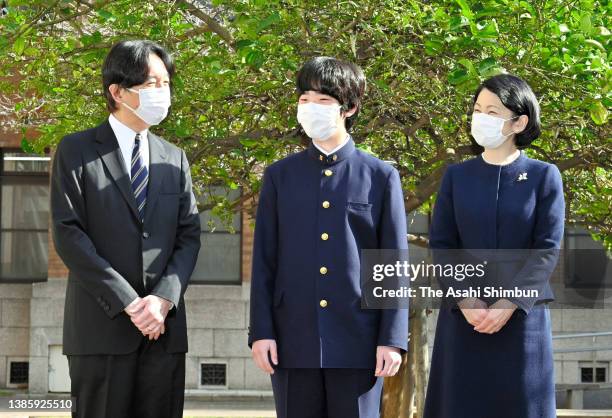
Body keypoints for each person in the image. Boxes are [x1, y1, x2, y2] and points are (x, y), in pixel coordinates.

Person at [248, 56, 409, 418]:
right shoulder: (279, 176)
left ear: (349, 107)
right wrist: (261, 331)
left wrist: (392, 339)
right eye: (304, 99)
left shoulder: (380, 176)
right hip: (292, 340)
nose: (309, 108)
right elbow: (264, 261)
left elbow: (393, 264)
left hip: (360, 341)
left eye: (322, 100)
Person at [50, 40, 201, 418]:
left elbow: (189, 234)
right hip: (101, 329)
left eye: (166, 83)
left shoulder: (174, 158)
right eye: (151, 84)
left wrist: (163, 299)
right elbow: (69, 235)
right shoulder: (76, 151)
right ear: (116, 91)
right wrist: (131, 303)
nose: (162, 93)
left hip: (163, 333)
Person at [423, 74, 564, 418]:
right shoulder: (456, 176)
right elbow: (443, 244)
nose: (480, 118)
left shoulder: (544, 176)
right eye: (477, 109)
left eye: (493, 111)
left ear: (520, 121)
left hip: (522, 321)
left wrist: (510, 302)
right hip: (463, 318)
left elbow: (546, 248)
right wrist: (466, 297)